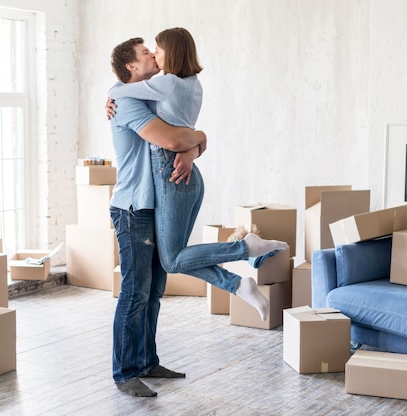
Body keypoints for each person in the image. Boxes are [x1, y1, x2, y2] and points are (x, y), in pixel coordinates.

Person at [108, 35, 287, 398]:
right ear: (131, 67)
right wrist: (192, 141)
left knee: (155, 289)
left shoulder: (151, 96)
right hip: (133, 208)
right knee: (135, 292)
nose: (153, 57)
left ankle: (146, 362)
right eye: (146, 54)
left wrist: (198, 142)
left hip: (156, 201)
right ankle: (125, 372)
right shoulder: (127, 104)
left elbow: (186, 137)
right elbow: (174, 140)